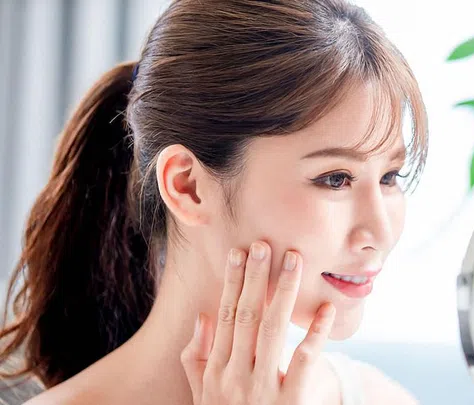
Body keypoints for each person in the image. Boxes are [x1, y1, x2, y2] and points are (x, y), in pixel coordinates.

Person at [0, 0, 428, 404]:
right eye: (335, 179)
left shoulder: (378, 397)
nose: (380, 232)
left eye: (389, 177)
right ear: (187, 186)